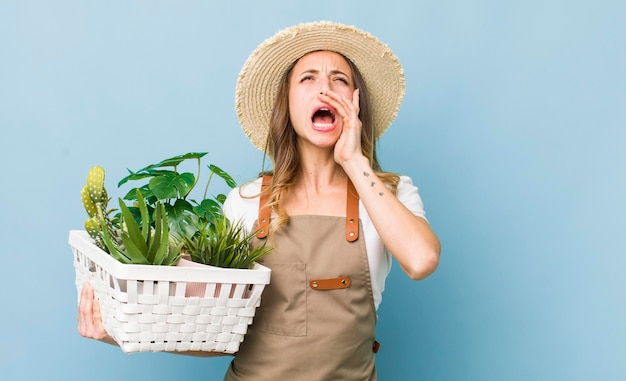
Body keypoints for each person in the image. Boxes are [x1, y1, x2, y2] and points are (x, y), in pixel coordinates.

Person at [78, 21, 440, 380]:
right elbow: (213, 334)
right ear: (287, 102)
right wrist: (119, 332)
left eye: (340, 80)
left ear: (356, 104)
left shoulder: (387, 194)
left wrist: (355, 161)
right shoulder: (246, 201)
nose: (325, 90)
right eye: (308, 78)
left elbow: (421, 260)